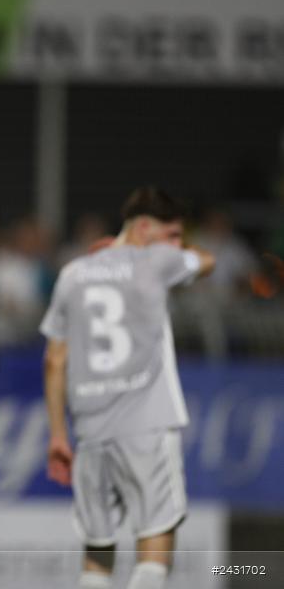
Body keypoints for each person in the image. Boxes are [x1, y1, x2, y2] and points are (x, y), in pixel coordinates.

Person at [40, 188, 215, 589]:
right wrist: (183, 247)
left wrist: (57, 434)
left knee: (97, 556)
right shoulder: (156, 261)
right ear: (143, 228)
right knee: (154, 549)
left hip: (91, 435)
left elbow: (54, 359)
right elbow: (208, 261)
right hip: (147, 427)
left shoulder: (73, 273)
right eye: (171, 234)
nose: (174, 244)